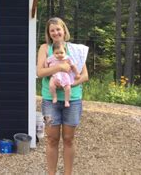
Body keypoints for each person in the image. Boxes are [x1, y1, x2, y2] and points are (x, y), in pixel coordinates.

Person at [37, 17, 89, 175]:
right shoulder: (45, 48)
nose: (55, 32)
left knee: (68, 139)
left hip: (72, 100)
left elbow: (84, 75)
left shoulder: (74, 50)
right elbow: (40, 72)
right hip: (49, 101)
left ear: (64, 30)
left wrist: (69, 84)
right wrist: (59, 67)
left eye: (58, 29)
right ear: (49, 33)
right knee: (52, 139)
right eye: (52, 30)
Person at [47, 40, 80, 107]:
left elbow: (73, 67)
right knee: (51, 86)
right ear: (53, 53)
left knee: (68, 88)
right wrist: (46, 68)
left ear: (65, 52)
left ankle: (67, 101)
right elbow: (46, 63)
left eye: (61, 53)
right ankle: (54, 97)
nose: (59, 55)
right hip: (54, 76)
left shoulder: (68, 58)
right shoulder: (51, 58)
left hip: (65, 76)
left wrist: (77, 74)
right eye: (57, 53)